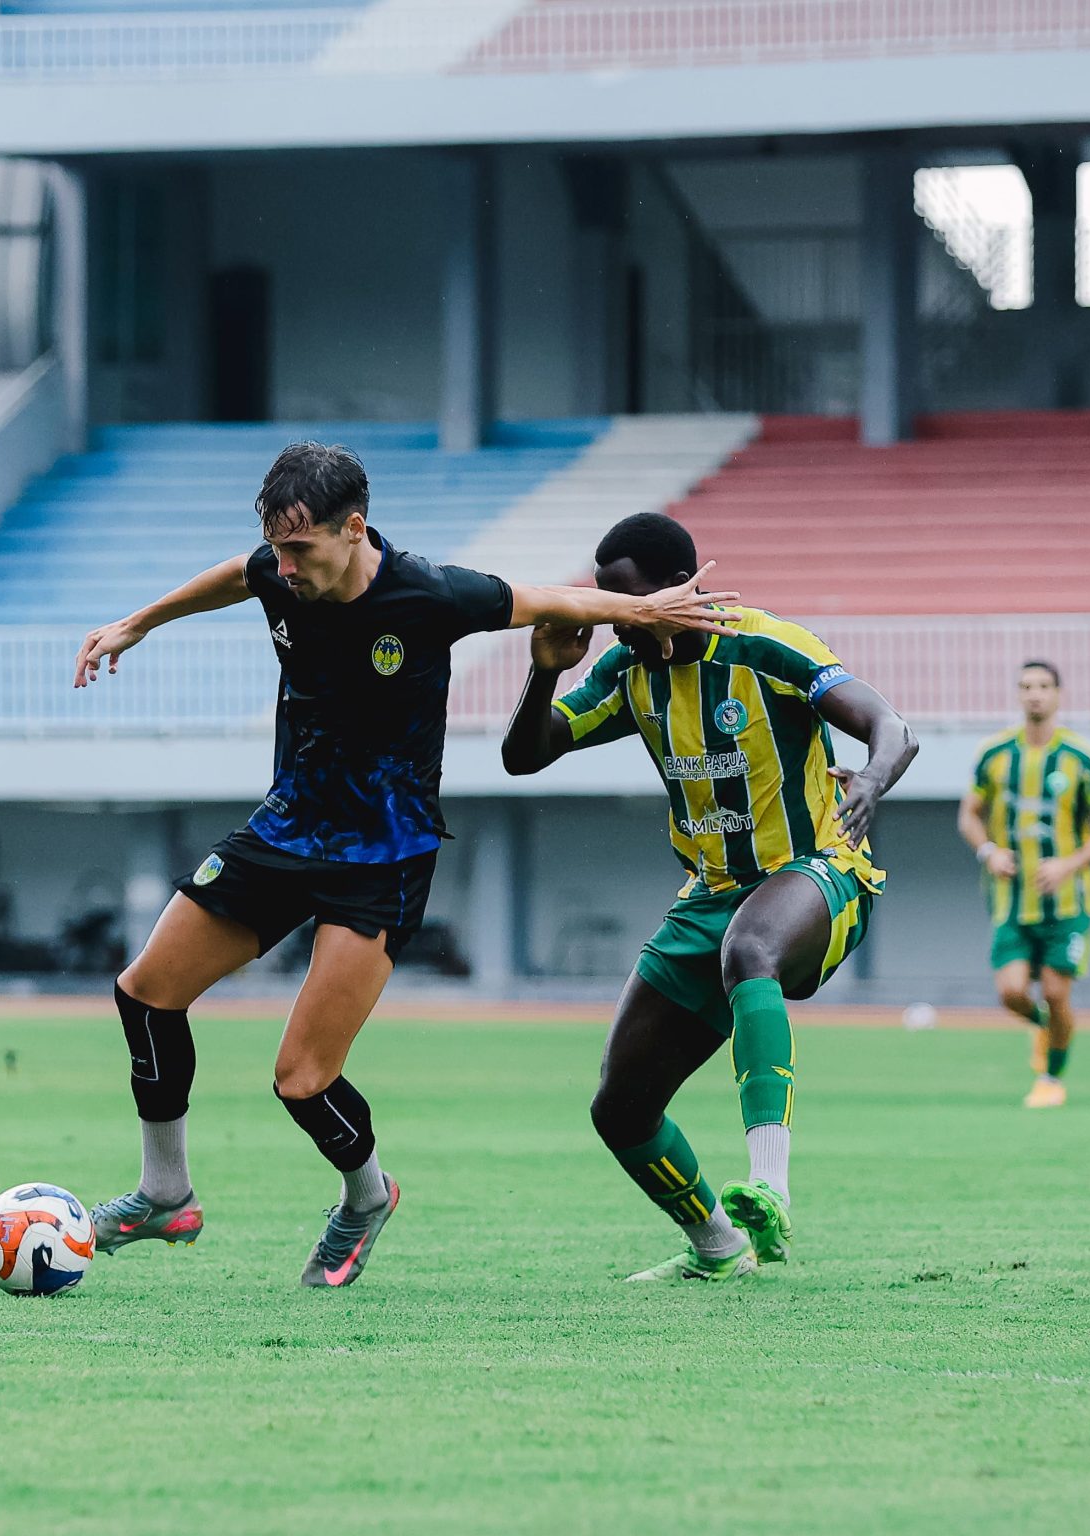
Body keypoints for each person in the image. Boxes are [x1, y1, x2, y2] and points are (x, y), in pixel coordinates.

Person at [71, 444, 740, 1288]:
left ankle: (366, 1195)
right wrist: (141, 620)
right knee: (144, 992)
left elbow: (550, 597)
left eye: (301, 550)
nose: (284, 567)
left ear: (354, 530)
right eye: (276, 548)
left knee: (302, 1079)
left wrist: (650, 613)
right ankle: (165, 1190)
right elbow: (236, 574)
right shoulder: (280, 568)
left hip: (380, 859)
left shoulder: (431, 593)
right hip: (285, 830)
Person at [501, 512, 917, 1282]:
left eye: (630, 600)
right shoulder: (628, 671)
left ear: (677, 588)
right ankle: (719, 1246)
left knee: (751, 950)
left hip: (819, 870)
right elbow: (523, 756)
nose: (621, 619)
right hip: (710, 893)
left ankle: (772, 1185)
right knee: (619, 1108)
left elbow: (891, 726)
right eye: (610, 604)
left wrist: (870, 778)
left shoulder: (764, 646)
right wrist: (545, 670)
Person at [956, 660, 1090, 1109]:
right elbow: (969, 814)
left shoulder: (1081, 757)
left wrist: (1069, 864)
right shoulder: (994, 755)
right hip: (1011, 902)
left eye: (1044, 686)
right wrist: (989, 851)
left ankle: (1051, 1078)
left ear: (1058, 694)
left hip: (1067, 903)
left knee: (1055, 991)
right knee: (1011, 992)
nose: (1035, 694)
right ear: (1018, 694)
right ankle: (1043, 1028)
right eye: (1026, 686)